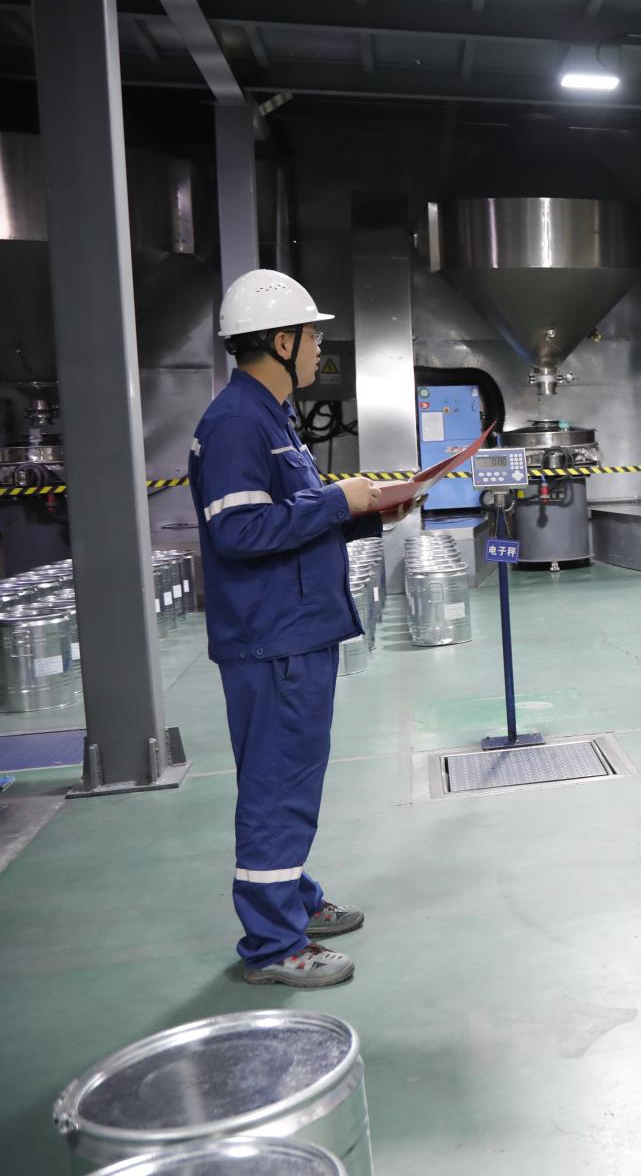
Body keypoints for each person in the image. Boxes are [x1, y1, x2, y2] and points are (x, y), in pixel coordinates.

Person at [191, 269, 416, 989]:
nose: (321, 347)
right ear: (281, 341)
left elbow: (289, 523)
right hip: (272, 637)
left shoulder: (272, 416)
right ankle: (272, 944)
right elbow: (238, 531)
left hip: (294, 629)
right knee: (276, 784)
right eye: (313, 334)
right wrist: (338, 500)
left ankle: (294, 900)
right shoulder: (237, 422)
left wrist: (369, 511)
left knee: (291, 777)